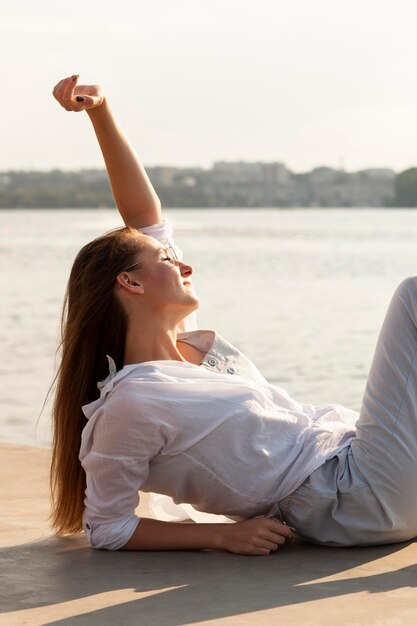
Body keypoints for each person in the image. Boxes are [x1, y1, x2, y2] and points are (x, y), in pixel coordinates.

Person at [50, 74, 417, 555]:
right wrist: (221, 534)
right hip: (352, 498)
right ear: (131, 283)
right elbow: (109, 527)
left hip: (357, 464)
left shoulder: (187, 351)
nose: (183, 263)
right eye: (165, 260)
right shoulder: (131, 404)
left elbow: (144, 216)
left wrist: (100, 112)